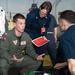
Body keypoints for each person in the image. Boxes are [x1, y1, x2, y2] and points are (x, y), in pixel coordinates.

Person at [25, 1, 52, 71]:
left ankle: (40, 68)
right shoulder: (32, 14)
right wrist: (29, 37)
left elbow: (45, 27)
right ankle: (31, 68)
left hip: (40, 35)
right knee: (32, 52)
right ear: (40, 8)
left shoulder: (48, 17)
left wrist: (44, 35)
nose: (42, 15)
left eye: (45, 14)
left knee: (42, 50)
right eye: (42, 12)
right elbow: (26, 27)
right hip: (30, 33)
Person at [54, 10, 75, 75]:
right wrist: (64, 64)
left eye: (59, 22)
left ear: (62, 23)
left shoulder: (65, 37)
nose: (58, 25)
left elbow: (72, 66)